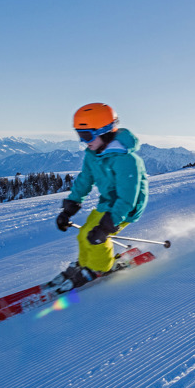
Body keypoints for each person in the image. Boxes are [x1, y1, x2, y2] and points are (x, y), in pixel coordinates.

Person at [52, 103, 149, 292]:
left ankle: (100, 267)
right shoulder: (92, 154)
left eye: (86, 135)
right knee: (84, 234)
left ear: (104, 131)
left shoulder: (126, 160)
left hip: (126, 208)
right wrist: (69, 208)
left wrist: (107, 226)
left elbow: (128, 197)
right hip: (107, 202)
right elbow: (85, 179)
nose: (83, 141)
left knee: (96, 237)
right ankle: (84, 263)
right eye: (79, 134)